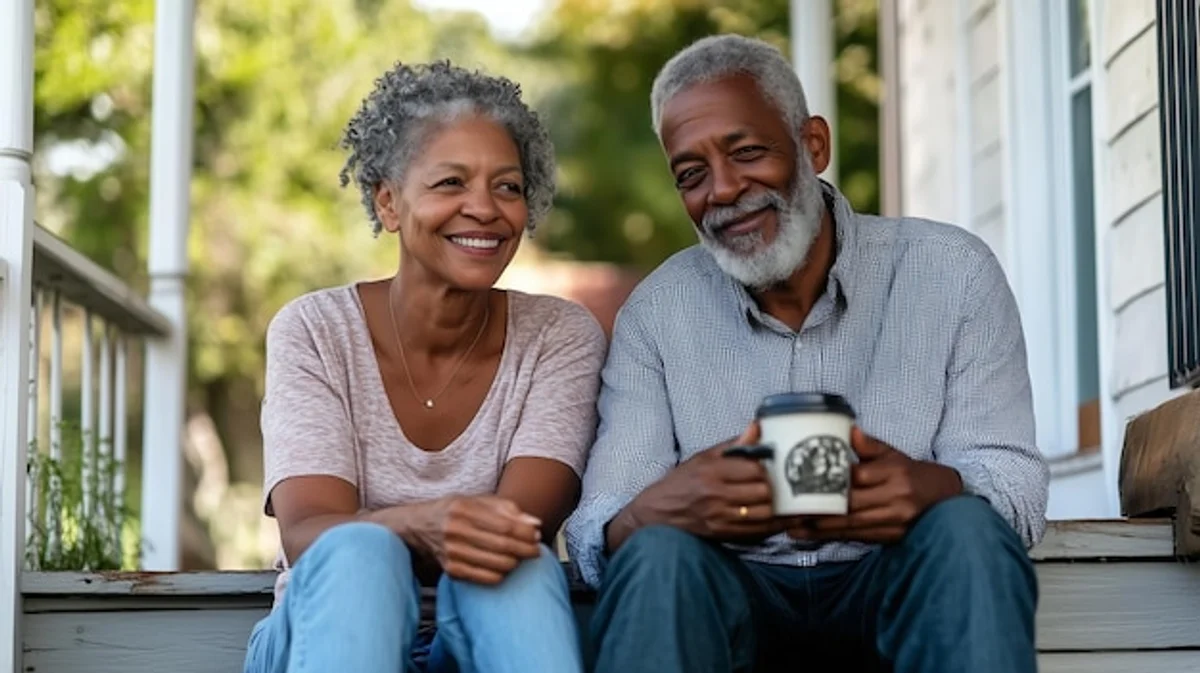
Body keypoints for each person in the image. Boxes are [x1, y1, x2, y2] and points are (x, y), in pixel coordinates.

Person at [564, 34, 1050, 673]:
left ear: (813, 145)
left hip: (899, 586)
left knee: (964, 530)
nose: (723, 189)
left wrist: (930, 487)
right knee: (656, 553)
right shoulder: (656, 312)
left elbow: (1015, 485)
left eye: (747, 151)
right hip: (729, 601)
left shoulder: (952, 272)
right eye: (691, 174)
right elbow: (596, 526)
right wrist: (662, 506)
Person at [244, 61, 606, 673]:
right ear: (388, 201)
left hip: (477, 642)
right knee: (360, 554)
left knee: (516, 564)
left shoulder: (559, 337)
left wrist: (424, 526)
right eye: (450, 183)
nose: (484, 208)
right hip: (324, 635)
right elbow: (306, 535)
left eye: (508, 187)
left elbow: (513, 530)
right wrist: (418, 524)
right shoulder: (315, 330)